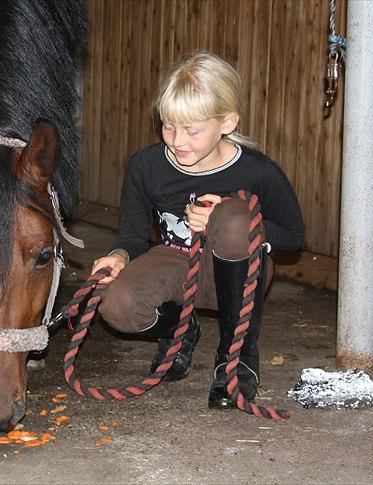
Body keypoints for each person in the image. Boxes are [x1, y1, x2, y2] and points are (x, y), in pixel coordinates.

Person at [91, 51, 304, 409]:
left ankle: (236, 361)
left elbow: (294, 237)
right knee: (116, 305)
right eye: (168, 125)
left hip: (236, 274)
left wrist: (228, 220)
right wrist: (117, 257)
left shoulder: (257, 171)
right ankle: (179, 329)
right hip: (175, 261)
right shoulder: (146, 166)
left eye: (192, 130)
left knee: (234, 216)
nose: (177, 140)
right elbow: (131, 235)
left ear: (227, 123)